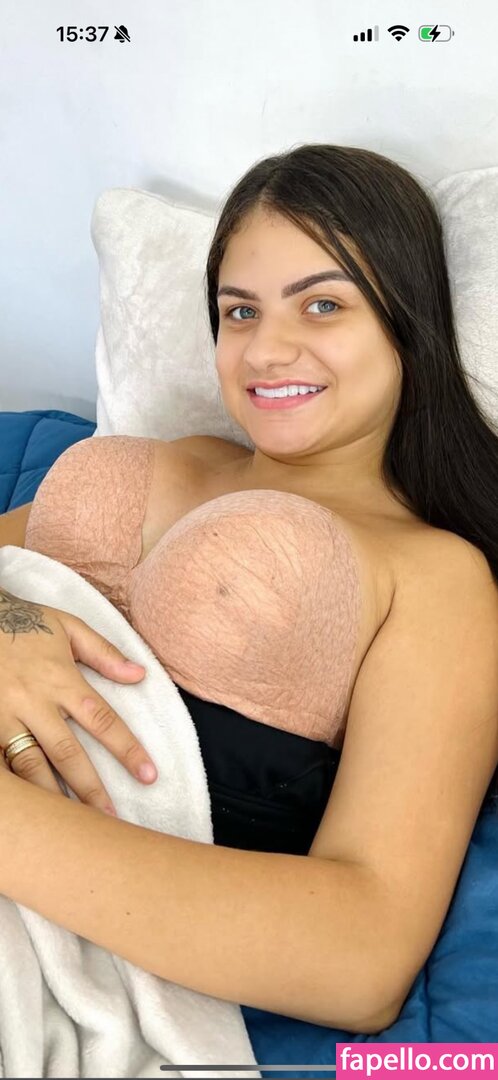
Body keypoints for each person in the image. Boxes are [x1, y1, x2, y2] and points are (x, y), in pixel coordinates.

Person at [0, 142, 498, 1035]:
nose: (266, 350)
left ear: (406, 319)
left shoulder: (436, 575)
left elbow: (364, 957)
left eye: (323, 304)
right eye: (240, 311)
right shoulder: (173, 457)